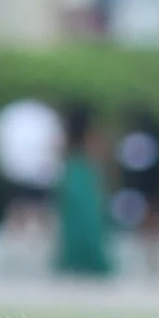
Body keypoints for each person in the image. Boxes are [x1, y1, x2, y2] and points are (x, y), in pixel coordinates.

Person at [0, 92, 63, 261]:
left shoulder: (15, 114)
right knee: (36, 208)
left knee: (20, 207)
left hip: (19, 169)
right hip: (36, 170)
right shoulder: (45, 117)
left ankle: (20, 243)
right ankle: (33, 243)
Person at [56, 103, 114, 280]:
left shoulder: (67, 136)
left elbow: (61, 155)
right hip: (87, 179)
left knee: (72, 224)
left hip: (72, 177)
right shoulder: (93, 136)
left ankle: (73, 262)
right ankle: (90, 261)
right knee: (90, 222)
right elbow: (101, 158)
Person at [112, 108, 159, 271]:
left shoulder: (134, 141)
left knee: (146, 225)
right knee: (152, 226)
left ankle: (150, 258)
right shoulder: (154, 141)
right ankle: (153, 259)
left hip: (142, 189)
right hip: (151, 188)